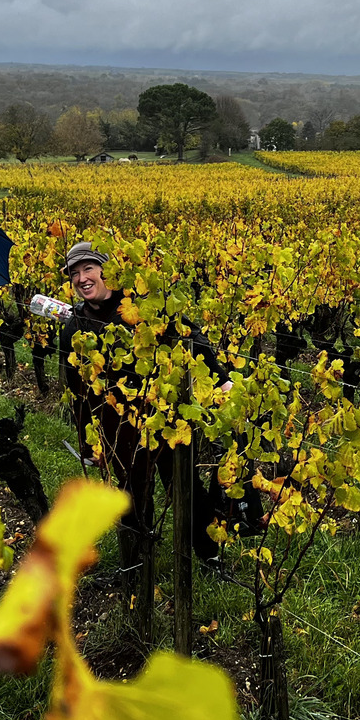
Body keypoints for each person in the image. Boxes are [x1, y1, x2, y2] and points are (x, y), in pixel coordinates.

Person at [57, 241, 231, 576]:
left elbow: (190, 337)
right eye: (74, 274)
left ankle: (209, 556)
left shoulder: (141, 306)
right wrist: (89, 442)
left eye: (88, 269)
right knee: (130, 494)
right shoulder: (75, 327)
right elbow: (78, 391)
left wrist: (222, 381)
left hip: (164, 416)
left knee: (185, 488)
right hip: (117, 426)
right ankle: (137, 564)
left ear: (108, 271)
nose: (82, 278)